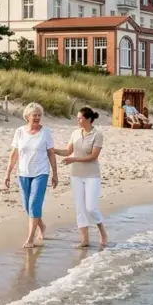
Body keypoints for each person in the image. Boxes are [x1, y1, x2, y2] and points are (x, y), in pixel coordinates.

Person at [5, 102, 58, 249]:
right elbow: (14, 154)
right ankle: (41, 225)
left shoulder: (46, 132)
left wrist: (55, 174)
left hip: (41, 172)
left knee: (34, 204)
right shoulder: (19, 132)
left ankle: (30, 238)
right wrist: (8, 173)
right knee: (27, 207)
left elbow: (51, 154)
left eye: (39, 115)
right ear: (27, 116)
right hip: (23, 173)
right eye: (35, 115)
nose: (37, 118)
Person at [56, 106, 107, 248]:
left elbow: (93, 156)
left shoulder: (97, 134)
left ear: (88, 119)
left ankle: (102, 231)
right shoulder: (75, 133)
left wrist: (73, 159)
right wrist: (52, 150)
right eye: (77, 118)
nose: (77, 120)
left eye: (80, 118)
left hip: (92, 175)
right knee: (80, 208)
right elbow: (67, 151)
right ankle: (84, 240)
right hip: (76, 175)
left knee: (91, 208)